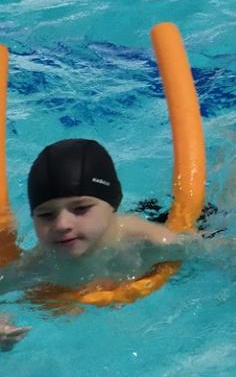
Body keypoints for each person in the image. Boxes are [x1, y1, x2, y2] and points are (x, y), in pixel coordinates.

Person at [0, 139, 196, 351]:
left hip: (155, 215)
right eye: (46, 215)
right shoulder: (37, 266)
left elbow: (210, 249)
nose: (62, 224)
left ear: (113, 202)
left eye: (80, 208)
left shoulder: (150, 244)